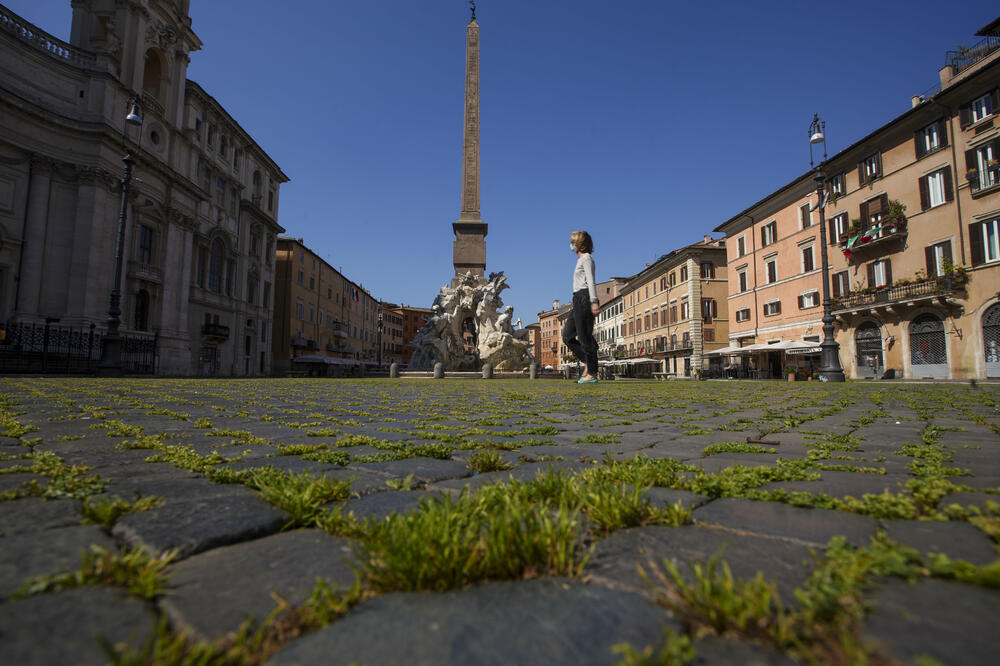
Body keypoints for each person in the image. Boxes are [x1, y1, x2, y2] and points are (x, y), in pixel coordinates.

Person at [562, 230, 600, 383]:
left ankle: (592, 373)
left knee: (584, 338)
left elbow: (590, 281)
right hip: (577, 299)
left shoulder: (587, 258)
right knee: (567, 336)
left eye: (572, 241)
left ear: (579, 243)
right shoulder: (581, 260)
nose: (571, 244)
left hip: (585, 297)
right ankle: (587, 362)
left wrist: (594, 301)